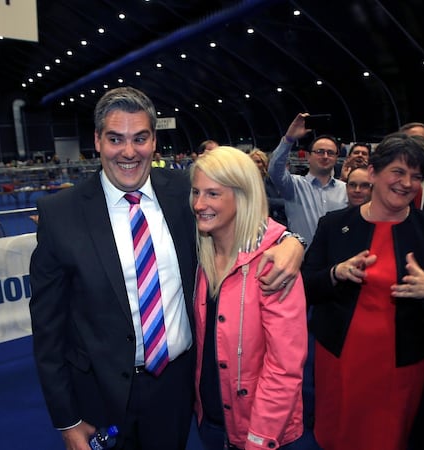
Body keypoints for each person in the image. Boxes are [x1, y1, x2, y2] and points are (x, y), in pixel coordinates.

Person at [28, 87, 304, 450]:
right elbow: (48, 330)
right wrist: (67, 419)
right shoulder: (60, 214)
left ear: (154, 141)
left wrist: (292, 241)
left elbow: (243, 220)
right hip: (99, 396)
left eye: (140, 138)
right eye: (115, 139)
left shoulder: (185, 194)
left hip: (176, 389)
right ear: (97, 141)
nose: (128, 152)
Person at [301, 132, 424, 450]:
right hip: (340, 356)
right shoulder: (334, 225)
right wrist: (335, 274)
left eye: (416, 176)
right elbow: (305, 285)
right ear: (373, 173)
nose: (407, 183)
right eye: (398, 172)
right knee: (338, 434)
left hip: (402, 361)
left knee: (387, 437)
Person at [191, 146, 307, 450]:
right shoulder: (200, 253)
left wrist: (258, 439)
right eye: (195, 192)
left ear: (242, 196)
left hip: (260, 432)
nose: (199, 204)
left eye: (212, 194)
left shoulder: (274, 263)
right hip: (211, 424)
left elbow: (285, 367)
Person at [268, 113, 348, 246]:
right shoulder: (294, 186)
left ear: (336, 158)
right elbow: (274, 170)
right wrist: (289, 139)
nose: (325, 156)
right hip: (302, 261)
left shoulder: (345, 189)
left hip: (336, 263)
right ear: (308, 157)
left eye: (331, 153)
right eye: (320, 152)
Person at [249, 148, 287, 227]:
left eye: (258, 162)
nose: (255, 164)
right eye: (252, 162)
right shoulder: (246, 181)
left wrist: (286, 203)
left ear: (264, 163)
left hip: (275, 220)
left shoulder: (271, 179)